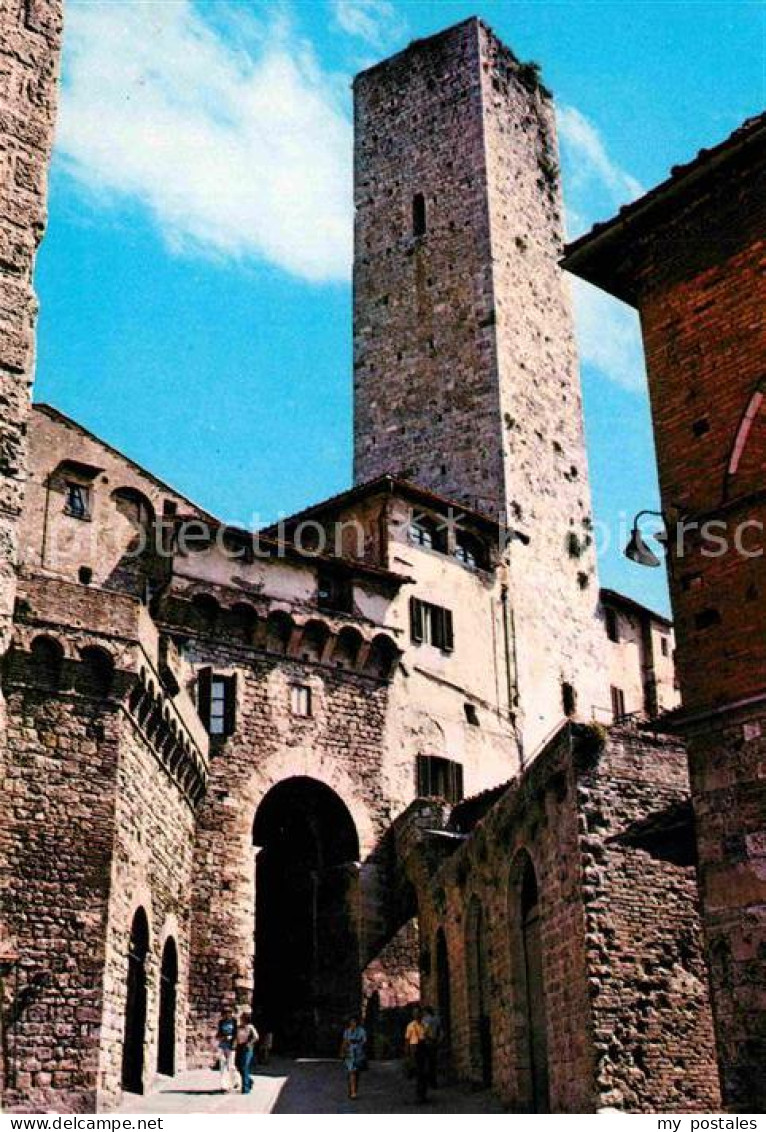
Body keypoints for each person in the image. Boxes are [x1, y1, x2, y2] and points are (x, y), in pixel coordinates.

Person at [404, 1005, 429, 1103]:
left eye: (418, 1013)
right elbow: (407, 1039)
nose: (417, 1015)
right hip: (414, 1048)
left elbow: (428, 1036)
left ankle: (423, 1093)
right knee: (418, 1073)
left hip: (423, 1047)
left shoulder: (425, 1025)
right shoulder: (410, 1026)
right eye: (415, 1013)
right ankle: (419, 1094)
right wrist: (407, 1053)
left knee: (424, 1072)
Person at [340, 1015, 367, 1100]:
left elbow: (364, 1041)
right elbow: (344, 1042)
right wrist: (342, 1052)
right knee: (352, 1072)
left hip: (358, 1054)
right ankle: (353, 1092)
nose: (353, 1023)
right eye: (351, 1022)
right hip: (349, 1054)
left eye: (354, 1022)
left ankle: (353, 1089)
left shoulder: (361, 1031)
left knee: (355, 1073)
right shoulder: (347, 1031)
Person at [235, 1011, 259, 1095]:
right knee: (238, 1065)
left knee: (244, 1066)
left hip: (247, 1048)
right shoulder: (239, 1027)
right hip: (239, 1047)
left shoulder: (250, 1027)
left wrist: (249, 1043)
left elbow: (256, 1037)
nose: (240, 1019)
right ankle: (249, 1080)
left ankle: (245, 1088)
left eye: (242, 1017)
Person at [216, 1007, 237, 1092]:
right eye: (226, 1013)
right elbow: (219, 1033)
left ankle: (234, 1082)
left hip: (231, 1045)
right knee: (223, 1065)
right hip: (223, 1045)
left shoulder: (234, 1022)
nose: (228, 1015)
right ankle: (224, 1085)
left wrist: (232, 1039)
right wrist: (221, 1037)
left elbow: (236, 1033)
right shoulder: (221, 1022)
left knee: (231, 1065)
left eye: (230, 1013)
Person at [422, 1004, 440, 1089]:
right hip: (435, 1041)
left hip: (428, 1041)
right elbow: (439, 1029)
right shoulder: (436, 1018)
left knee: (427, 1063)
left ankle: (429, 1081)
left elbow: (424, 1031)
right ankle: (433, 1081)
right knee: (433, 1062)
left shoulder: (425, 1019)